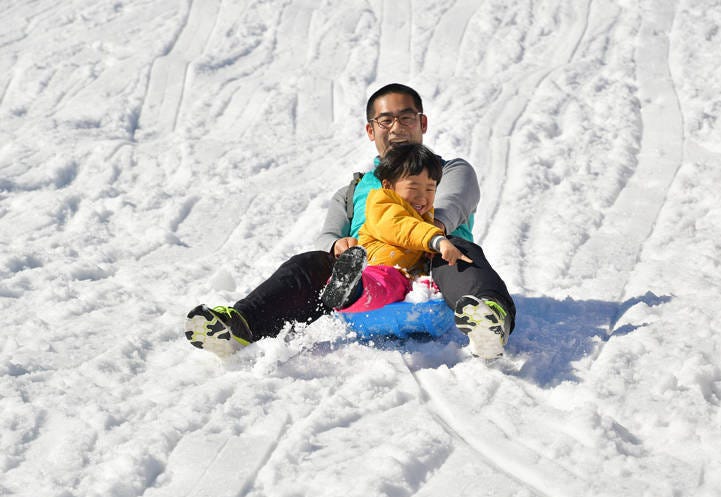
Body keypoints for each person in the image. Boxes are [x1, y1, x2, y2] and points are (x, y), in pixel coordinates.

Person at [185, 83, 516, 359]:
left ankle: (488, 316)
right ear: (371, 130)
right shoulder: (354, 189)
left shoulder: (451, 170)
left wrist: (429, 237)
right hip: (369, 279)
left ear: (423, 123)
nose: (397, 128)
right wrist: (337, 246)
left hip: (434, 277)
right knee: (309, 263)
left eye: (406, 118)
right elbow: (328, 234)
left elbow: (450, 207)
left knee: (457, 248)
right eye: (385, 121)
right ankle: (241, 326)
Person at [321, 143, 472, 313]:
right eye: (413, 188)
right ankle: (351, 289)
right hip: (377, 266)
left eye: (430, 189)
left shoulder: (424, 213)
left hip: (402, 271)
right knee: (385, 283)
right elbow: (404, 227)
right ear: (387, 186)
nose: (422, 197)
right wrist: (436, 240)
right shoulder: (383, 205)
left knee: (407, 282)